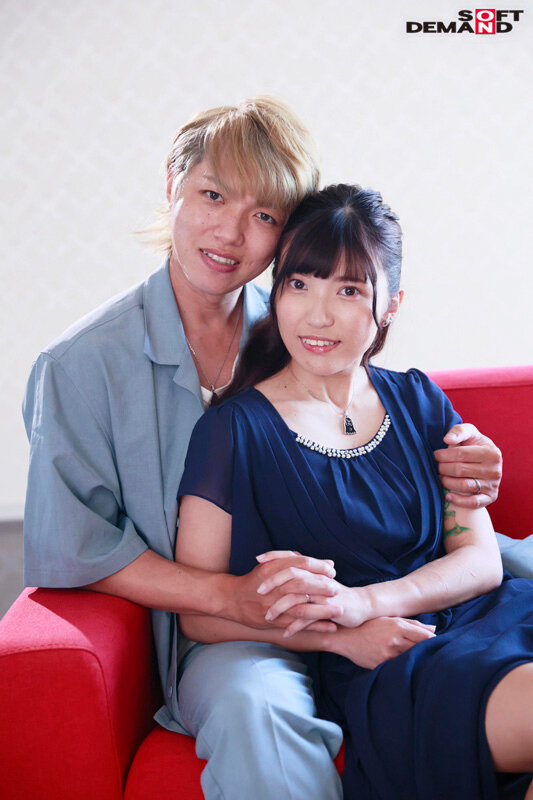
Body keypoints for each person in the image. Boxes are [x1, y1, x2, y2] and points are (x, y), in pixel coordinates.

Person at [22, 99, 502, 800]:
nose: (230, 232)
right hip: (228, 631)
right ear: (172, 185)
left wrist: (467, 458)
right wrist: (247, 602)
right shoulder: (80, 367)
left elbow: (382, 424)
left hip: (358, 584)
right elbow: (78, 547)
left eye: (264, 214)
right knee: (258, 713)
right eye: (213, 195)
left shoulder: (298, 322)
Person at [176, 184, 533, 799]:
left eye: (347, 290)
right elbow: (200, 613)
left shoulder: (420, 401)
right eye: (298, 284)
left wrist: (365, 603)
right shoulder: (231, 432)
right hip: (396, 664)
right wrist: (345, 633)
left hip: (488, 619)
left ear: (390, 305)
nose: (317, 316)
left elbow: (479, 560)